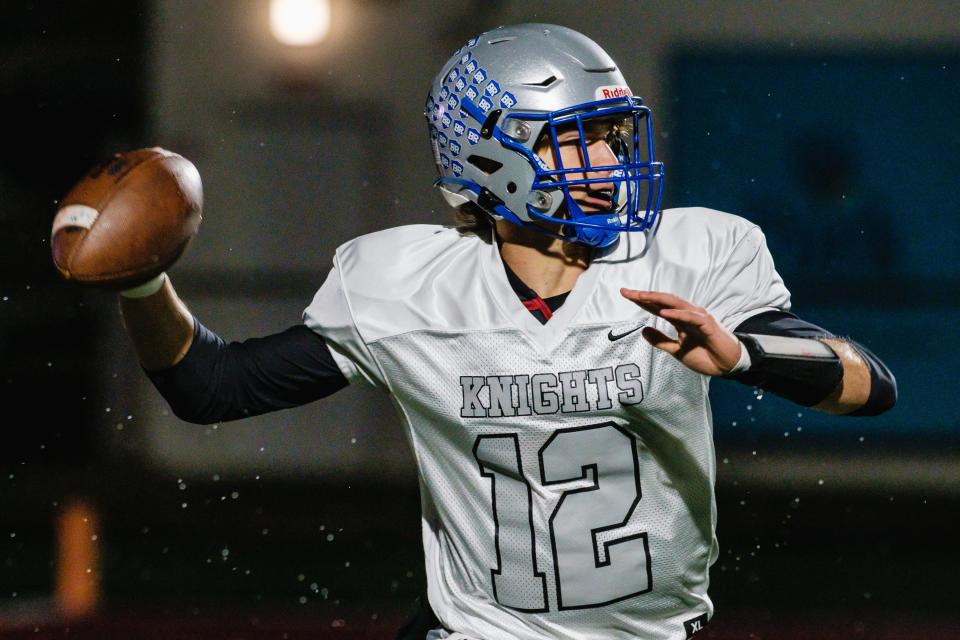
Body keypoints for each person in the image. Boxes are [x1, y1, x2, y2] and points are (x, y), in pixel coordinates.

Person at [115, 24, 896, 640]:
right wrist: (142, 282)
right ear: (493, 159)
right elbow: (207, 388)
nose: (609, 160)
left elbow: (868, 385)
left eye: (613, 136)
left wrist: (743, 354)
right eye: (577, 139)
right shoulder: (412, 288)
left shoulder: (689, 257)